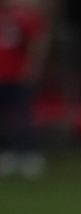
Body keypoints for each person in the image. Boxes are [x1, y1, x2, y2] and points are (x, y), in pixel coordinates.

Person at [0, 0, 49, 179]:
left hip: (17, 74)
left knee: (24, 116)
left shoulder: (22, 17)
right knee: (4, 118)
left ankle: (28, 154)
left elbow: (37, 42)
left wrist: (32, 67)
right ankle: (6, 153)